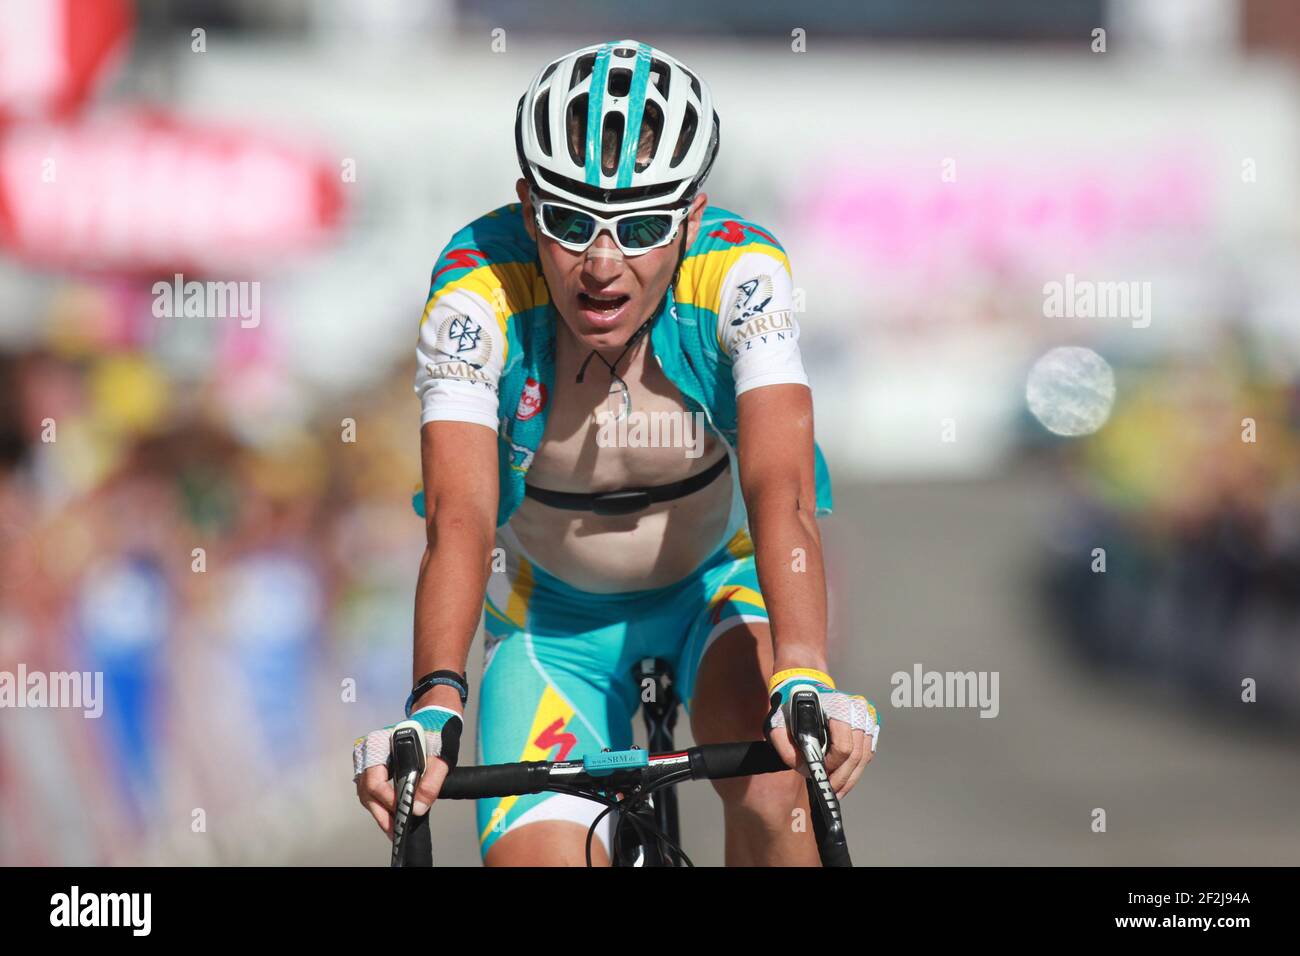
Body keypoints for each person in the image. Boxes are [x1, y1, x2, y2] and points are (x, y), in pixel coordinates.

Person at [355, 39, 879, 866]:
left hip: (714, 589)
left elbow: (782, 490)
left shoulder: (741, 274)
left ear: (692, 218)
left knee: (785, 798)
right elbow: (459, 519)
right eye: (569, 224)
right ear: (529, 210)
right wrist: (434, 701)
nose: (603, 265)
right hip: (551, 626)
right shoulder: (476, 291)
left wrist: (805, 671)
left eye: (639, 228)